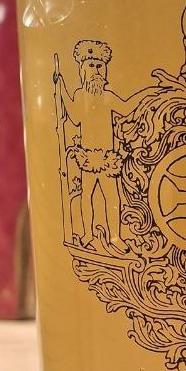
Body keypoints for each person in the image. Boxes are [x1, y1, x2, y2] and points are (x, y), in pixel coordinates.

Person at [54, 40, 142, 251]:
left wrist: (144, 95)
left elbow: (125, 108)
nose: (95, 70)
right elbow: (75, 117)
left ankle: (115, 237)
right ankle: (87, 234)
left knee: (112, 197)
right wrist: (61, 87)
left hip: (107, 157)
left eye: (99, 65)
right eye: (91, 65)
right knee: (87, 196)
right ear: (83, 69)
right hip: (88, 157)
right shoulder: (80, 95)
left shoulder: (108, 96)